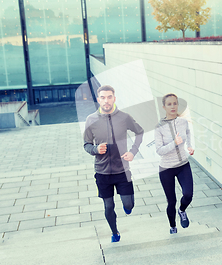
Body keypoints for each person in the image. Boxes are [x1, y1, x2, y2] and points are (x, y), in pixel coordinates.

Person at [83, 85, 144, 242]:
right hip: (102, 172)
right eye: (103, 97)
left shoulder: (124, 117)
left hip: (122, 170)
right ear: (98, 100)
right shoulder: (91, 120)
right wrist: (96, 149)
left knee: (129, 205)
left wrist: (133, 151)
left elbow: (139, 131)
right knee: (108, 206)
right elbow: (86, 144)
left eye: (109, 97)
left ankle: (127, 206)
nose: (106, 100)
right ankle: (115, 232)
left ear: (114, 98)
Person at [155, 93, 194, 234]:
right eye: (169, 104)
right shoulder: (159, 127)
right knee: (171, 201)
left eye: (175, 103)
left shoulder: (183, 122)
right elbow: (159, 150)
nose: (173, 106)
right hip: (166, 169)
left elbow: (188, 133)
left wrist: (189, 146)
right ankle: (172, 226)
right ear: (164, 107)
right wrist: (174, 143)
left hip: (183, 164)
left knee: (188, 194)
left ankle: (182, 210)